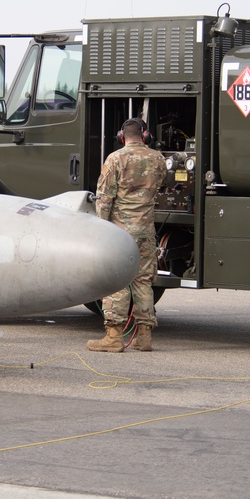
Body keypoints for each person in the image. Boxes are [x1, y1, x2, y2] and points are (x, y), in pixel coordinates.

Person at [87, 118, 166, 353]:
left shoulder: (115, 159)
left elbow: (104, 198)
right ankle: (144, 336)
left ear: (122, 136)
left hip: (120, 233)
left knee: (118, 280)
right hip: (146, 231)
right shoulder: (158, 159)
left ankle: (113, 336)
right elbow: (159, 188)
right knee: (143, 281)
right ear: (145, 135)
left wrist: (100, 229)